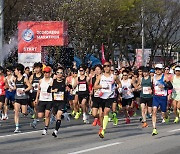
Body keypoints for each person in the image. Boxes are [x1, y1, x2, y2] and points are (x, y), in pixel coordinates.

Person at [94, 61, 121, 138]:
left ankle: (103, 130)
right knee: (101, 114)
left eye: (108, 66)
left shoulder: (114, 77)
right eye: (105, 66)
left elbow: (119, 84)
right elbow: (95, 87)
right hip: (102, 96)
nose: (106, 68)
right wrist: (101, 86)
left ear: (110, 67)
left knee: (106, 111)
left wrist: (117, 87)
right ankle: (102, 126)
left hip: (110, 96)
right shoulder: (100, 77)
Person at [152, 64, 173, 136]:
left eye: (159, 69)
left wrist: (164, 86)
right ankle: (154, 129)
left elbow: (170, 86)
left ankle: (166, 116)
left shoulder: (165, 77)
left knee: (163, 113)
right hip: (156, 97)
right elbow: (151, 86)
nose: (157, 71)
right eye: (156, 69)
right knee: (154, 111)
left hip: (163, 97)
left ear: (162, 70)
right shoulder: (153, 77)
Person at [35, 66, 53, 135]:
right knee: (40, 115)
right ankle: (48, 119)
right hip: (42, 99)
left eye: (47, 72)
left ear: (50, 73)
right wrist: (37, 98)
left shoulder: (52, 80)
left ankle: (45, 128)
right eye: (45, 72)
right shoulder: (41, 80)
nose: (46, 74)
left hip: (49, 99)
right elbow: (39, 89)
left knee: (47, 114)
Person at [14, 64, 32, 133]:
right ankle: (17, 127)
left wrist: (24, 90)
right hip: (17, 97)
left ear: (19, 71)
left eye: (15, 70)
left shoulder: (24, 78)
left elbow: (30, 87)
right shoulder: (15, 79)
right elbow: (16, 87)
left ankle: (29, 109)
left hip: (24, 97)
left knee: (24, 112)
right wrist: (12, 88)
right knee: (16, 112)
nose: (14, 71)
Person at [50, 67, 67, 137]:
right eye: (58, 72)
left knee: (58, 115)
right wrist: (54, 90)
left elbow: (70, 87)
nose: (59, 74)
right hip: (54, 101)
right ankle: (64, 115)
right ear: (55, 74)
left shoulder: (64, 82)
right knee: (55, 114)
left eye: (61, 73)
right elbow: (48, 90)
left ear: (63, 74)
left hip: (62, 102)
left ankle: (55, 131)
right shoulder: (53, 81)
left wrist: (69, 88)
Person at [29, 62, 44, 128]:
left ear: (40, 68)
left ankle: (37, 118)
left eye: (37, 68)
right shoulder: (32, 76)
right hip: (34, 93)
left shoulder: (43, 76)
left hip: (42, 93)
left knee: (38, 105)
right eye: (35, 68)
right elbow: (29, 84)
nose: (36, 70)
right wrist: (31, 87)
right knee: (35, 105)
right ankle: (37, 116)